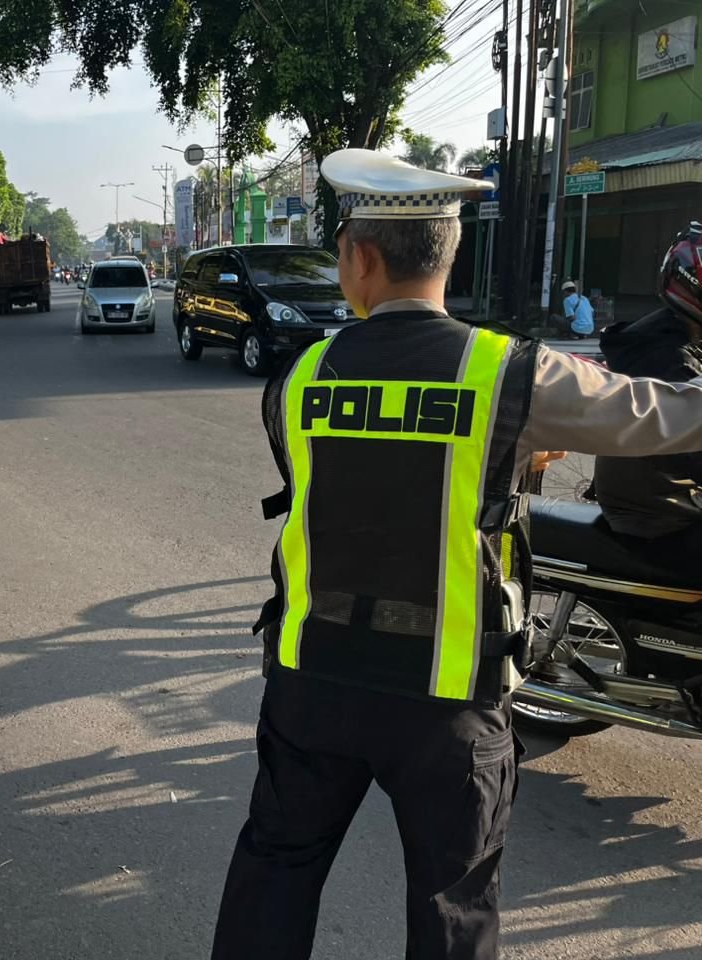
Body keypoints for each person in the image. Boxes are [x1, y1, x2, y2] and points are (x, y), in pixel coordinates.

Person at [211, 149, 702, 960]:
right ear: (451, 254)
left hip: (312, 680)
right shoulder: (508, 373)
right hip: (445, 699)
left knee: (275, 871)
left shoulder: (300, 374)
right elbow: (653, 416)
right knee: (452, 907)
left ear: (360, 259)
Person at [593, 229, 702, 554]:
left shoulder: (675, 335)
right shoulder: (666, 356)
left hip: (661, 494)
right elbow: (690, 447)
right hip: (658, 514)